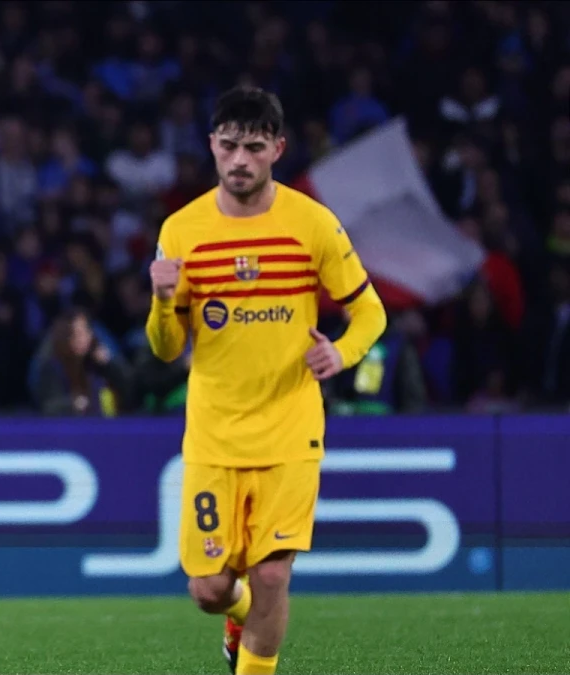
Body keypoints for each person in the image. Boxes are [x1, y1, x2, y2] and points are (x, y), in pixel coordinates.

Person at [145, 86, 387, 675]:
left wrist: (344, 353)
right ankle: (240, 615)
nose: (240, 160)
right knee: (209, 590)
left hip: (290, 427)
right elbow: (166, 347)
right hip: (214, 435)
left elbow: (370, 311)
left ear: (277, 148)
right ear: (211, 146)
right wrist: (160, 300)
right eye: (229, 146)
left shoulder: (312, 224)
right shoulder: (182, 229)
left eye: (254, 147)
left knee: (274, 571)